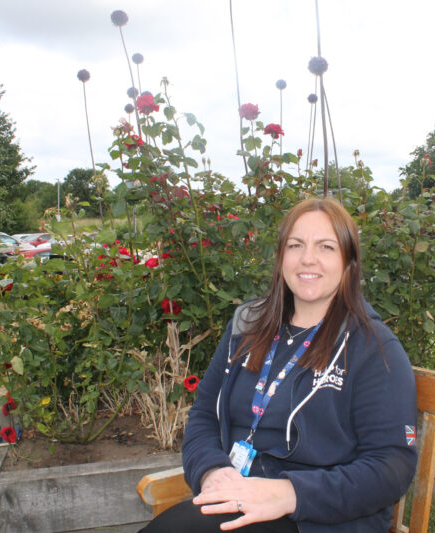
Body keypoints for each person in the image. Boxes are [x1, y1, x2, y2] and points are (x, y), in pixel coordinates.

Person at [139, 197, 418, 532]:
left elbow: (392, 466)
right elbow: (203, 416)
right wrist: (211, 470)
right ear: (280, 257)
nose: (307, 259)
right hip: (240, 498)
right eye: (295, 245)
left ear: (348, 262)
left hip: (319, 518)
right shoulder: (248, 326)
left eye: (326, 247)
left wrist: (290, 493)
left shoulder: (372, 348)